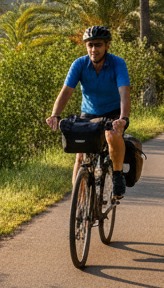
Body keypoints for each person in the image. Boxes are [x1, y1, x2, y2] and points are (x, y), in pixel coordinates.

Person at [46, 25, 131, 199]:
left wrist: (123, 119)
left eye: (98, 45)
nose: (93, 49)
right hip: (89, 114)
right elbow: (67, 92)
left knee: (112, 136)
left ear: (107, 46)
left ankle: (117, 175)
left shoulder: (117, 63)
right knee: (79, 157)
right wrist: (55, 114)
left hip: (113, 112)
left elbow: (124, 92)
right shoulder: (79, 64)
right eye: (90, 45)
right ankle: (80, 203)